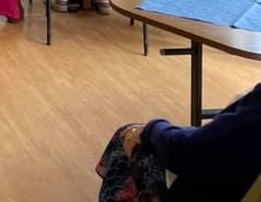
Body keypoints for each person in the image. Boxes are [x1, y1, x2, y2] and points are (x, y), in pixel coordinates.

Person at [97, 84, 261, 201]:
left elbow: (184, 151)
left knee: (127, 136)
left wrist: (151, 128)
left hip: (205, 183)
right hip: (227, 163)